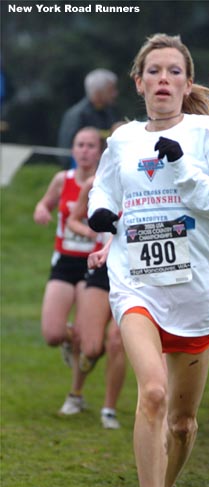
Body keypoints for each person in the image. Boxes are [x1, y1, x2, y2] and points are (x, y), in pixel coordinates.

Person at [87, 33, 209, 487]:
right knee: (153, 394)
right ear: (138, 83)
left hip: (192, 293)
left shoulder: (207, 135)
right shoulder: (121, 140)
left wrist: (184, 170)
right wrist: (102, 216)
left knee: (183, 423)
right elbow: (105, 190)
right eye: (154, 71)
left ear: (187, 83)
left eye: (174, 72)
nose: (163, 80)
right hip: (134, 282)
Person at [33, 127, 103, 415]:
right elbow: (45, 203)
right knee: (52, 334)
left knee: (89, 344)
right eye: (80, 145)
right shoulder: (63, 180)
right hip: (64, 261)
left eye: (90, 145)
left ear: (99, 151)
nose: (85, 150)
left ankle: (75, 394)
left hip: (92, 263)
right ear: (73, 150)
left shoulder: (105, 184)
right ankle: (70, 338)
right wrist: (42, 209)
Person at [67, 175, 126, 429]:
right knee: (90, 346)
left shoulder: (153, 178)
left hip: (132, 269)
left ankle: (109, 409)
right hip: (102, 266)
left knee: (116, 340)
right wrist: (92, 232)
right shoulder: (94, 183)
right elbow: (72, 220)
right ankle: (76, 394)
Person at [57, 69, 119, 165]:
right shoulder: (77, 115)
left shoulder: (109, 112)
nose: (115, 94)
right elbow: (65, 153)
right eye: (111, 90)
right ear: (98, 92)